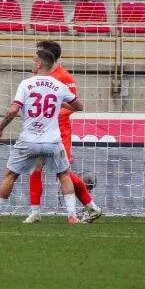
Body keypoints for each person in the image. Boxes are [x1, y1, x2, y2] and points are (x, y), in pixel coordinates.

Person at [0, 47, 85, 225]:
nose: (32, 63)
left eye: (34, 60)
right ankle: (72, 216)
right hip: (53, 141)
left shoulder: (26, 84)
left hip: (28, 140)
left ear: (39, 64)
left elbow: (13, 110)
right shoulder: (59, 86)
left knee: (10, 175)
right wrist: (59, 103)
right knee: (64, 174)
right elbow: (79, 106)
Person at [24, 41, 102, 224]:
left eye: (38, 53)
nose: (35, 57)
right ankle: (35, 212)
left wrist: (49, 116)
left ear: (47, 56)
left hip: (59, 132)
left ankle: (91, 206)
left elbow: (74, 106)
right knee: (35, 168)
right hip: (39, 132)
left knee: (63, 172)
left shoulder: (64, 77)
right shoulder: (38, 76)